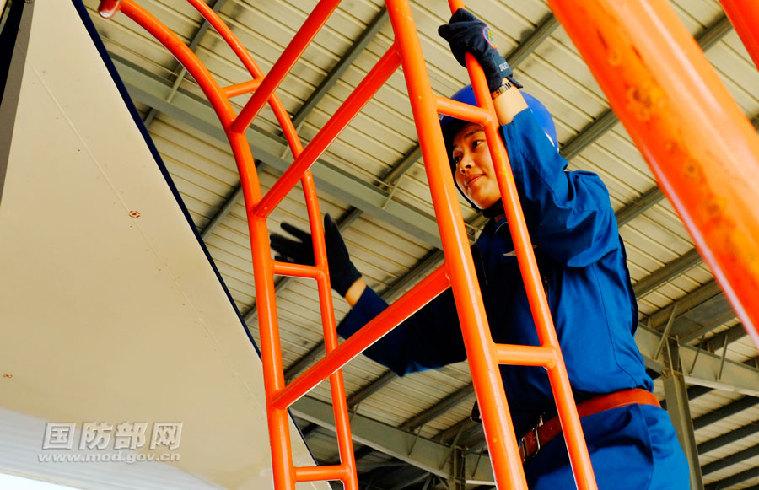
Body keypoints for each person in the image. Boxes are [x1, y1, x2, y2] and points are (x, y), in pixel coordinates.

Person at [271, 9, 690, 489]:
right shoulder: (487, 262)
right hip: (541, 461)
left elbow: (552, 207)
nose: (464, 164)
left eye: (476, 143)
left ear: (521, 138)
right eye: (456, 157)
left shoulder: (583, 199)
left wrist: (498, 77)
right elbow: (410, 345)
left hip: (618, 445)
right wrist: (343, 278)